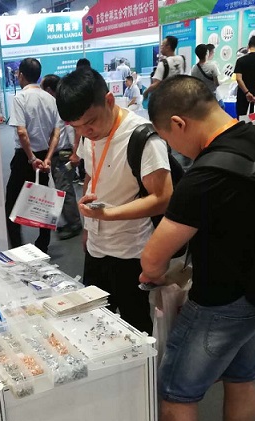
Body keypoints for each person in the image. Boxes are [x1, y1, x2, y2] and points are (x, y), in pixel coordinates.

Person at [141, 75, 255, 421]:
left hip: (218, 301)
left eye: (168, 138)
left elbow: (153, 257)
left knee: (177, 391)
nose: (174, 149)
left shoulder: (205, 175)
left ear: (179, 123)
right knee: (241, 377)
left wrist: (157, 276)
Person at [56, 67, 172, 334]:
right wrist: (88, 227)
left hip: (130, 252)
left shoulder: (141, 136)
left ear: (109, 100)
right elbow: (91, 175)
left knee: (135, 328)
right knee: (93, 323)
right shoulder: (89, 134)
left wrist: (108, 215)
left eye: (90, 122)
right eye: (77, 127)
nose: (86, 131)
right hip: (96, 249)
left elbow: (163, 197)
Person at [5, 58, 60, 252]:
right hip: (44, 156)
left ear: (20, 75)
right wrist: (48, 158)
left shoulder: (20, 98)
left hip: (25, 157)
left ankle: (17, 247)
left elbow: (22, 132)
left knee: (12, 203)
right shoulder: (50, 99)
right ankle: (43, 244)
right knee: (43, 201)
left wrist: (31, 158)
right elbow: (56, 133)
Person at [40, 74, 82, 240]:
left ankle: (75, 224)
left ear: (50, 90)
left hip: (65, 153)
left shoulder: (63, 105)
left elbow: (76, 129)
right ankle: (71, 221)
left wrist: (76, 152)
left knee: (64, 189)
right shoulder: (57, 105)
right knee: (62, 188)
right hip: (62, 153)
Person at [143, 36, 187, 100]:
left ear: (168, 47)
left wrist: (146, 92)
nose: (161, 47)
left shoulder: (163, 63)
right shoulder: (182, 59)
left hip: (168, 98)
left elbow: (156, 84)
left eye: (162, 45)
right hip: (182, 96)